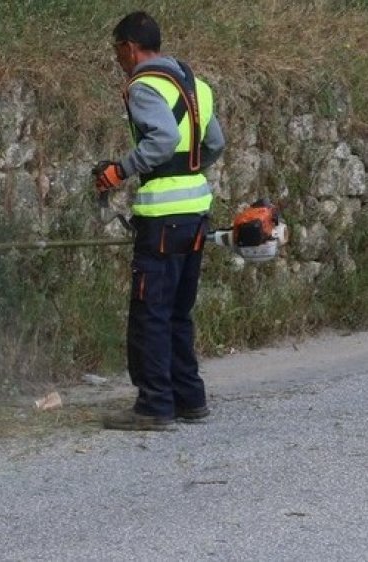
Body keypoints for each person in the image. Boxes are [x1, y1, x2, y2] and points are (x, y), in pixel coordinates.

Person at [93, 11, 226, 431]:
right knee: (178, 311)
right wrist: (187, 170)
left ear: (130, 47)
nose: (118, 59)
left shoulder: (144, 85)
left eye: (117, 50)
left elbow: (163, 138)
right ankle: (190, 399)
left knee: (150, 311)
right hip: (195, 212)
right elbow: (216, 142)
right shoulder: (196, 86)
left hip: (162, 217)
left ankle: (154, 406)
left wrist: (121, 170)